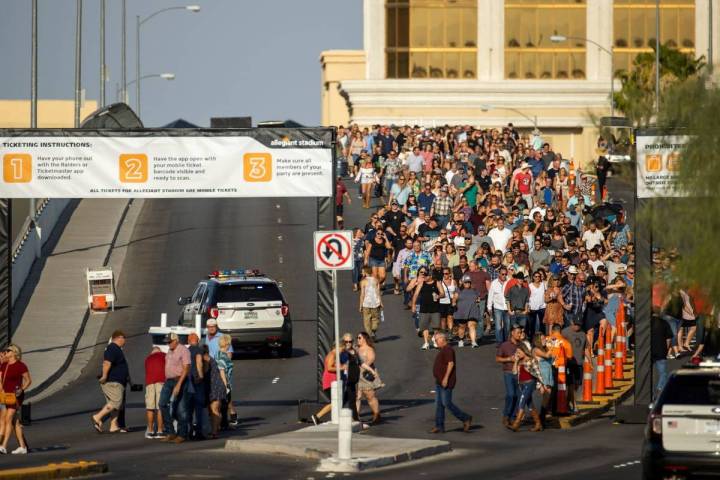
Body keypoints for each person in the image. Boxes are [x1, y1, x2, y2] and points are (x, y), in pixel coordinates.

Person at [430, 332, 472, 434]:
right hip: (439, 382)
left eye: (436, 340)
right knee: (439, 404)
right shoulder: (443, 350)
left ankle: (465, 418)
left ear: (441, 339)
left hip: (446, 382)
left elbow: (451, 364)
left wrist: (445, 378)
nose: (435, 342)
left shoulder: (448, 349)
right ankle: (439, 426)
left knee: (446, 403)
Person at [92, 330, 128, 434]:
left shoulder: (116, 349)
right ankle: (97, 417)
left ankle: (113, 425)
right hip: (113, 382)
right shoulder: (112, 348)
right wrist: (104, 376)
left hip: (118, 382)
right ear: (119, 338)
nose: (125, 341)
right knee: (116, 402)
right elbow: (107, 363)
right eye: (124, 338)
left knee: (117, 405)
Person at [203, 319, 237, 426]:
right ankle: (219, 420)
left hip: (221, 368)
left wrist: (223, 365)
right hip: (210, 370)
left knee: (227, 396)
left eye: (213, 326)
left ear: (216, 326)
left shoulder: (223, 338)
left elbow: (229, 355)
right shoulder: (204, 338)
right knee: (214, 396)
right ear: (207, 327)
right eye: (209, 326)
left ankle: (232, 415)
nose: (211, 328)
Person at [159, 332, 191, 443]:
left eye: (170, 342)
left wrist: (179, 384)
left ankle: (182, 434)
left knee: (181, 408)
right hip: (169, 381)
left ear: (176, 340)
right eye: (167, 342)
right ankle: (170, 432)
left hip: (179, 380)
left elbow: (186, 368)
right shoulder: (170, 350)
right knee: (162, 404)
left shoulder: (183, 350)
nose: (168, 344)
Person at [0, 345, 31, 454]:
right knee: (15, 422)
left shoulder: (21, 366)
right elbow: (0, 379)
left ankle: (3, 446)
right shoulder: (4, 365)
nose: (6, 352)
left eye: (8, 350)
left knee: (8, 419)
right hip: (5, 396)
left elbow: (28, 380)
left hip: (16, 397)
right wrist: (1, 389)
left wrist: (21, 389)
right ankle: (23, 447)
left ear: (14, 353)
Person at [509, 342, 544, 432]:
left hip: (530, 383)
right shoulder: (519, 361)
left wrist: (541, 385)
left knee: (522, 402)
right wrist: (516, 361)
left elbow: (538, 373)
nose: (518, 354)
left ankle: (516, 424)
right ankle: (538, 424)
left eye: (519, 352)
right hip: (521, 384)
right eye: (517, 353)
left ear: (524, 351)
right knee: (529, 404)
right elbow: (514, 373)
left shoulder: (531, 360)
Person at [411, 268, 445, 350]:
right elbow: (415, 294)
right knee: (424, 327)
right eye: (424, 275)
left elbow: (443, 293)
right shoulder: (421, 284)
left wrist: (438, 296)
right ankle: (426, 343)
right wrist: (413, 305)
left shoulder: (437, 283)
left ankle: (435, 341)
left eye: (426, 275)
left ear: (431, 276)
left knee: (436, 327)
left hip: (435, 308)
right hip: (424, 308)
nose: (424, 277)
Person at [496, 325, 522, 427]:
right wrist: (508, 359)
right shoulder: (505, 345)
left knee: (518, 396)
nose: (520, 335)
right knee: (511, 394)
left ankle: (512, 417)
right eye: (518, 332)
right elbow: (498, 359)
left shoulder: (522, 345)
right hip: (508, 373)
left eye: (520, 332)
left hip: (520, 373)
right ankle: (506, 416)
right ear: (512, 333)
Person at [311, 345, 344, 424]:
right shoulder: (332, 355)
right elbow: (329, 368)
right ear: (337, 347)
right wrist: (342, 368)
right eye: (341, 349)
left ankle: (318, 417)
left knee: (336, 401)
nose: (342, 351)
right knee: (335, 402)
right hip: (330, 381)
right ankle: (317, 416)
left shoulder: (333, 355)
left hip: (332, 381)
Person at [356, 332, 383, 424]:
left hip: (366, 376)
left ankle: (376, 414)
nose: (357, 339)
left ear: (364, 338)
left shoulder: (369, 349)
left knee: (370, 397)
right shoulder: (356, 349)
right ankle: (355, 417)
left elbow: (371, 359)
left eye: (359, 338)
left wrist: (362, 367)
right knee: (357, 397)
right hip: (356, 376)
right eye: (357, 338)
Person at [561, 321, 587, 413]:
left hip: (579, 363)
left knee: (576, 386)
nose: (577, 326)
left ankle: (568, 404)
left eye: (579, 324)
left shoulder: (583, 334)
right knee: (571, 385)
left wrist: (589, 362)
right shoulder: (565, 332)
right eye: (576, 324)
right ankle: (574, 405)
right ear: (572, 323)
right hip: (569, 363)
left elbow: (585, 349)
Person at [187, 333, 206, 440]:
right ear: (198, 341)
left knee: (189, 407)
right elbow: (199, 362)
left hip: (188, 381)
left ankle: (189, 431)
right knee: (198, 406)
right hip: (196, 380)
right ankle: (199, 432)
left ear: (189, 341)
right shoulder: (199, 350)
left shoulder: (186, 351)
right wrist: (201, 376)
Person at [144, 346, 166, 439]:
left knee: (150, 407)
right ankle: (160, 431)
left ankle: (150, 430)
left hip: (150, 383)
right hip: (161, 382)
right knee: (160, 407)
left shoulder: (147, 359)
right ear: (160, 351)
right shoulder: (164, 355)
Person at [203, 345, 225, 439]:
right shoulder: (211, 359)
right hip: (215, 387)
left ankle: (214, 432)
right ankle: (215, 429)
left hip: (214, 387)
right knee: (214, 411)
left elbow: (204, 372)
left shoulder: (207, 361)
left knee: (214, 410)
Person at [651, 315, 674, 399]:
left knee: (648, 374)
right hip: (661, 351)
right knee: (663, 373)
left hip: (648, 351)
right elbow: (669, 338)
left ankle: (650, 393)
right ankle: (659, 389)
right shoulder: (664, 322)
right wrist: (666, 349)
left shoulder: (647, 323)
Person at [215, 334, 234, 431]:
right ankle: (223, 424)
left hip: (224, 382)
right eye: (229, 344)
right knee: (224, 404)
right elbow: (222, 371)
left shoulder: (219, 353)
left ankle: (223, 423)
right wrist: (225, 385)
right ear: (226, 344)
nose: (229, 346)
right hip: (224, 383)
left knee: (224, 404)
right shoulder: (222, 356)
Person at [488, 267, 510, 344]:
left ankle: (507, 342)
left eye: (505, 274)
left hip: (507, 308)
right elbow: (490, 295)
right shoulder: (494, 283)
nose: (504, 275)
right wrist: (489, 307)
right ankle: (499, 342)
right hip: (498, 307)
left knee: (507, 327)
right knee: (498, 326)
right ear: (499, 274)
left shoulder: (509, 282)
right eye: (502, 274)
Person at [359, 266, 383, 339]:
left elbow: (362, 294)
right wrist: (381, 301)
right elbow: (378, 292)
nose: (361, 273)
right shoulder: (376, 280)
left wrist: (360, 305)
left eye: (362, 272)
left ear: (365, 273)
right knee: (375, 319)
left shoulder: (363, 282)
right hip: (375, 303)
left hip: (366, 303)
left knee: (366, 321)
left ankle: (370, 334)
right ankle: (373, 330)